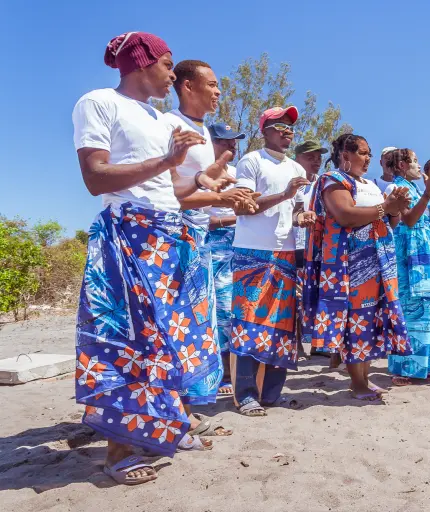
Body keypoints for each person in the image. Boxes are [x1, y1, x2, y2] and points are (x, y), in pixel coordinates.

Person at [73, 32, 236, 484]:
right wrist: (167, 162)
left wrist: (216, 186)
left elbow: (174, 194)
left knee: (173, 342)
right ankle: (118, 450)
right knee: (129, 340)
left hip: (170, 237)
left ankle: (171, 423)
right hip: (129, 234)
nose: (172, 74)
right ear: (143, 61)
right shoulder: (99, 102)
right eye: (167, 64)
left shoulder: (161, 120)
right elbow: (96, 177)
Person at [165, 60, 254, 419]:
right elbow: (173, 193)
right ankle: (175, 412)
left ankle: (190, 411)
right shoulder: (171, 125)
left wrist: (220, 193)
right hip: (176, 236)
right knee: (183, 320)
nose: (218, 91)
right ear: (188, 86)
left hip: (199, 241)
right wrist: (219, 197)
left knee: (205, 320)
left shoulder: (197, 133)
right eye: (213, 84)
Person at [302, 133, 412, 399]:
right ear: (345, 155)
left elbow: (389, 224)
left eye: (369, 153)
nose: (368, 158)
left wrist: (395, 209)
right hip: (349, 265)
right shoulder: (333, 180)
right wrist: (385, 207)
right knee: (355, 321)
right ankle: (357, 382)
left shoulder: (369, 185)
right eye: (362, 153)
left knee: (372, 319)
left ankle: (366, 377)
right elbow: (345, 215)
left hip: (379, 263)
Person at [230, 106, 314, 416]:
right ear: (265, 130)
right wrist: (282, 195)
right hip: (252, 251)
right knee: (249, 322)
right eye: (280, 125)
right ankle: (246, 395)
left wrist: (303, 217)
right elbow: (242, 206)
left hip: (286, 252)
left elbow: (294, 210)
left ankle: (271, 394)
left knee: (281, 325)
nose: (288, 130)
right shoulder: (252, 160)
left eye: (291, 126)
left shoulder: (295, 168)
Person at [386, 149, 430, 385]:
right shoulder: (397, 188)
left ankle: (423, 365)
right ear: (402, 165)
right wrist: (427, 192)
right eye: (414, 161)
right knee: (412, 308)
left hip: (426, 255)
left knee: (428, 308)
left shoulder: (414, 188)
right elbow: (409, 220)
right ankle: (405, 368)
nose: (418, 165)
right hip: (410, 257)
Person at [205, 122, 248, 396]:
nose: (232, 145)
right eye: (225, 141)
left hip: (239, 248)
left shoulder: (237, 174)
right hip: (211, 247)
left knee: (236, 308)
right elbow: (199, 216)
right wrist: (234, 216)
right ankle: (221, 373)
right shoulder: (200, 174)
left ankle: (233, 370)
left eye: (234, 141)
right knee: (217, 308)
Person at [293, 139, 329, 358]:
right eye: (310, 157)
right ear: (297, 158)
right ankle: (295, 344)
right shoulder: (292, 181)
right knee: (294, 297)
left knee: (316, 294)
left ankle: (317, 343)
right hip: (294, 244)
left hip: (316, 247)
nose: (316, 161)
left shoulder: (323, 183)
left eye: (318, 157)